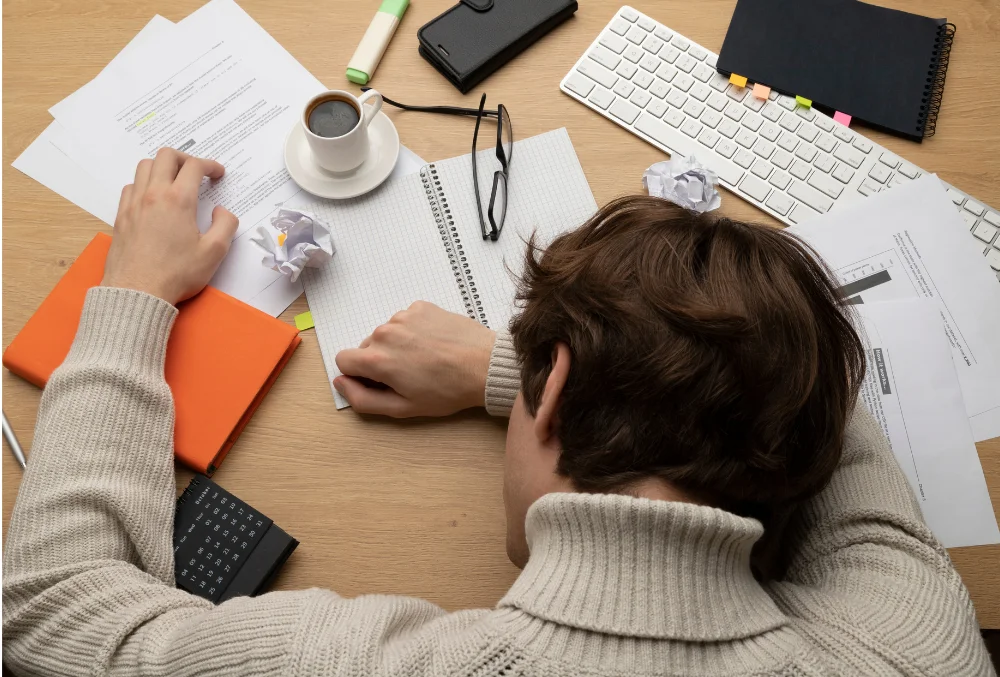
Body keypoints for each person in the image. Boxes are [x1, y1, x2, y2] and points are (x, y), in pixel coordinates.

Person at [2, 149, 993, 677]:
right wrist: (530, 367)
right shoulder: (909, 651)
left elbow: (47, 603)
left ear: (547, 390)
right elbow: (823, 389)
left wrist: (132, 293)